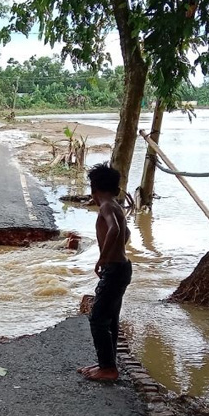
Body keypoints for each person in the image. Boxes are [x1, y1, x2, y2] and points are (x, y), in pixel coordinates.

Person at [78, 163, 132, 382]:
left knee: (98, 318)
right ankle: (107, 363)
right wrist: (117, 250)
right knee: (110, 319)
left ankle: (108, 369)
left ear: (94, 189)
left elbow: (115, 230)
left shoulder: (106, 206)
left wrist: (103, 257)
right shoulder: (117, 205)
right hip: (123, 267)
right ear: (116, 189)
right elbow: (126, 232)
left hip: (114, 268)